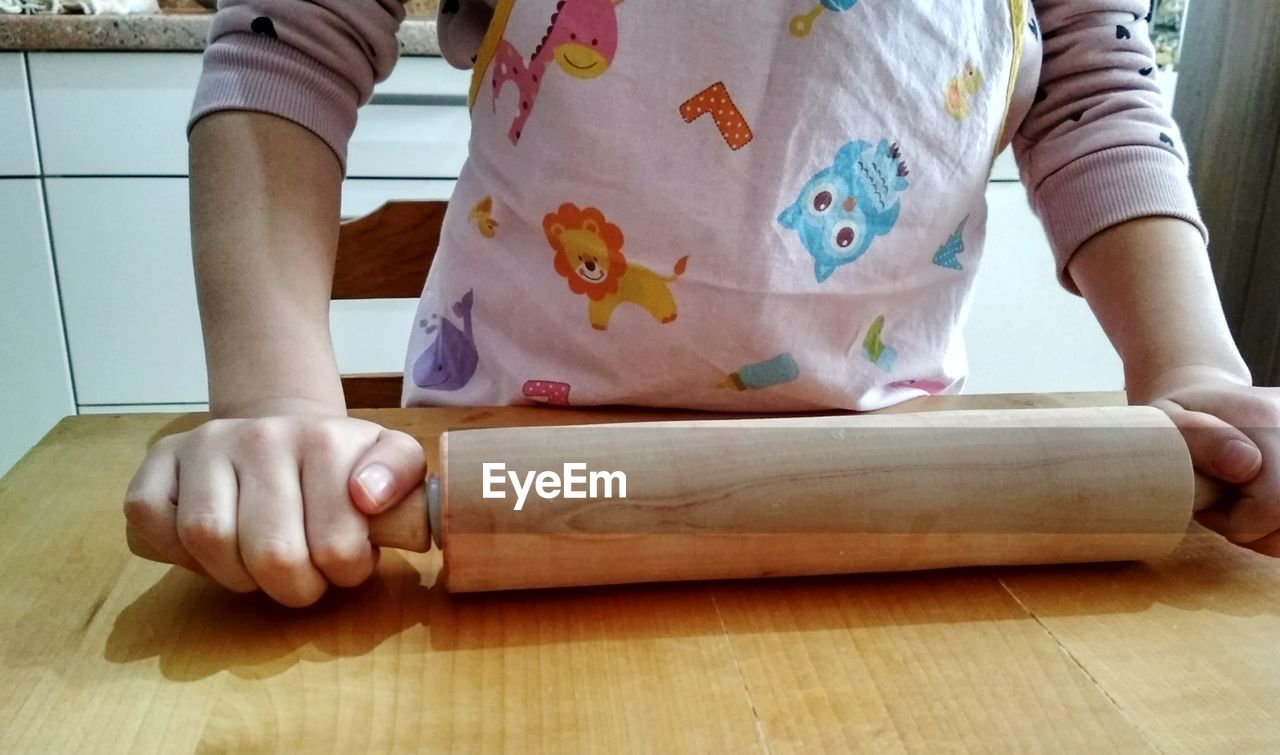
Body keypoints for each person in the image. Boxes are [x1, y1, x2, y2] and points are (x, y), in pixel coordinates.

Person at [123, 0, 1280, 606]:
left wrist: (1193, 377)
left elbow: (1091, 92)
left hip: (890, 485)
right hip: (510, 458)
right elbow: (292, 35)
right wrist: (277, 400)